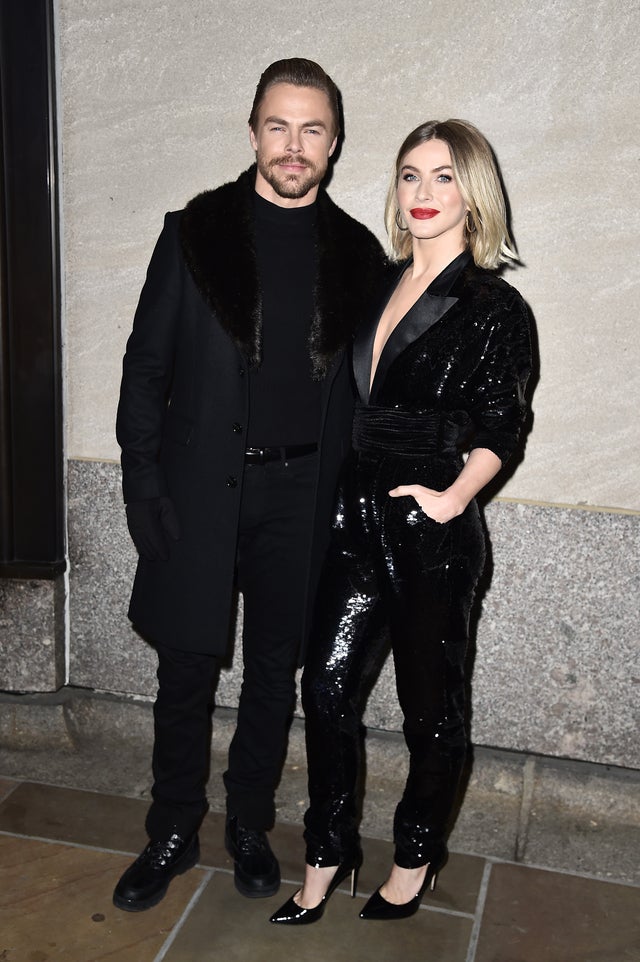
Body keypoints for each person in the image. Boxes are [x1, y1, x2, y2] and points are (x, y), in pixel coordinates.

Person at [113, 58, 386, 912]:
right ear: (253, 131)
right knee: (187, 669)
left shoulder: (357, 255)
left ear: (334, 143)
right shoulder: (194, 234)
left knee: (277, 670)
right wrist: (141, 489)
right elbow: (144, 369)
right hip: (198, 493)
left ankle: (247, 824)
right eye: (278, 125)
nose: (293, 145)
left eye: (312, 129)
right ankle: (170, 830)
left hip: (302, 497)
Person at [270, 119, 532, 925]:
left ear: (473, 192)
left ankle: (414, 856)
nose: (423, 193)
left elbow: (503, 424)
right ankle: (326, 850)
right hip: (354, 514)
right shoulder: (375, 286)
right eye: (411, 176)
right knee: (326, 689)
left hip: (432, 530)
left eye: (443, 177)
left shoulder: (492, 306)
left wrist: (454, 499)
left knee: (433, 712)